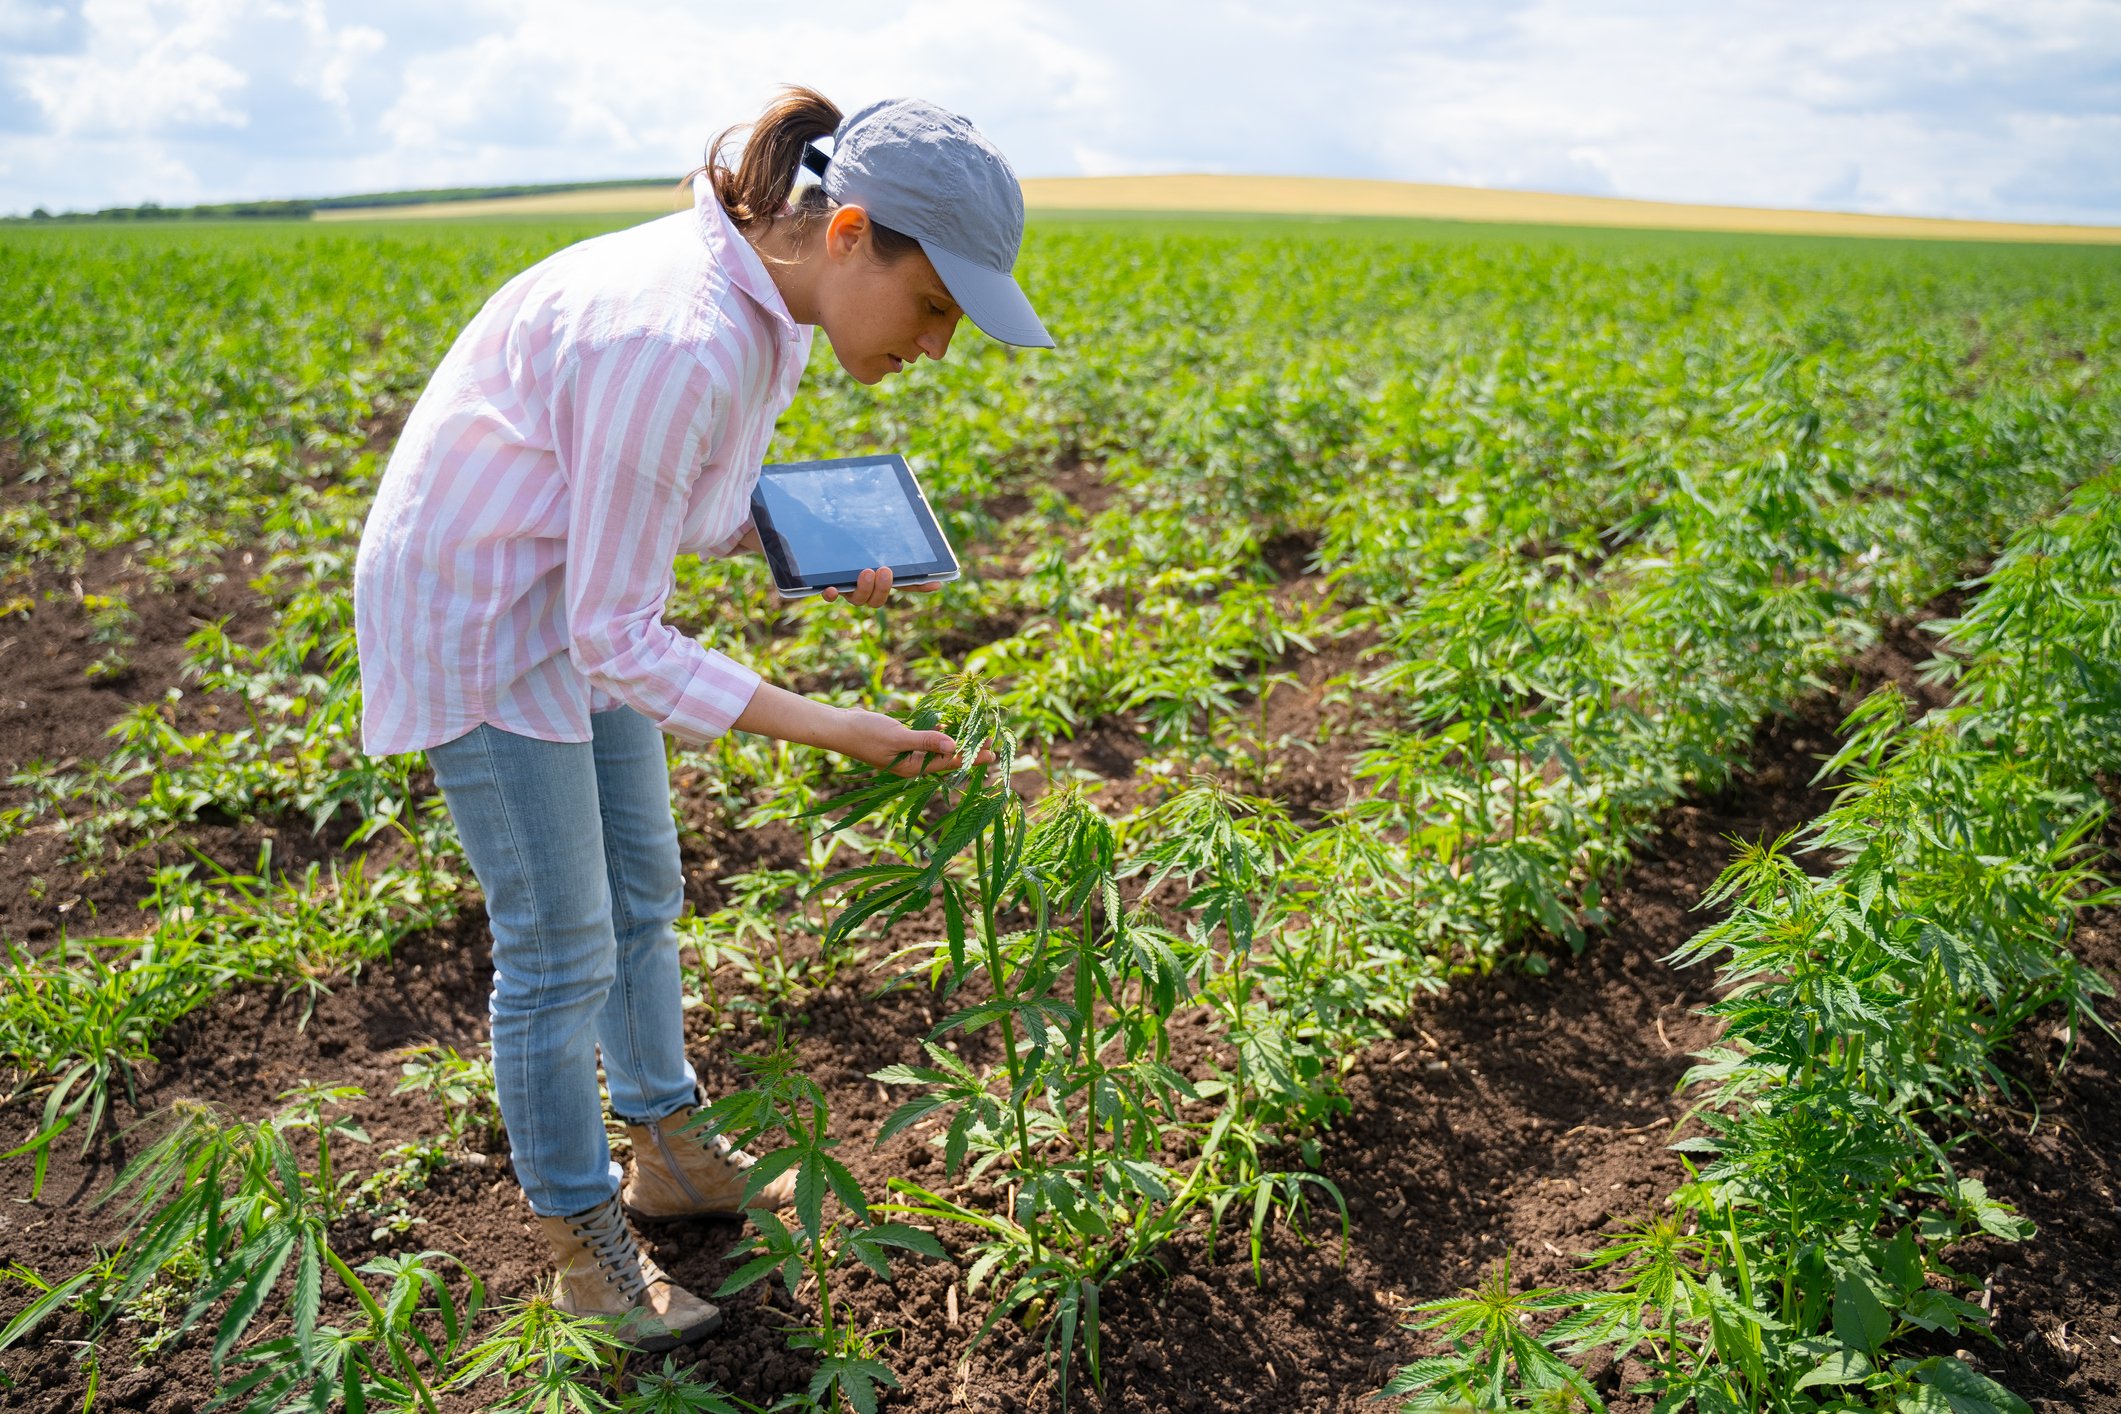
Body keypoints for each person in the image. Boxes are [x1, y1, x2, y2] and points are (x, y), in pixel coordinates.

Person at [350, 88, 1053, 1353]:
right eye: (935, 307)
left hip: (566, 590)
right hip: (488, 616)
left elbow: (677, 499)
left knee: (641, 890)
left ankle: (671, 1154)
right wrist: (835, 724)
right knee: (561, 944)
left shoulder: (762, 310)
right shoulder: (676, 336)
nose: (936, 348)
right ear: (847, 234)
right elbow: (614, 636)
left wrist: (804, 543)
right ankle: (583, 1251)